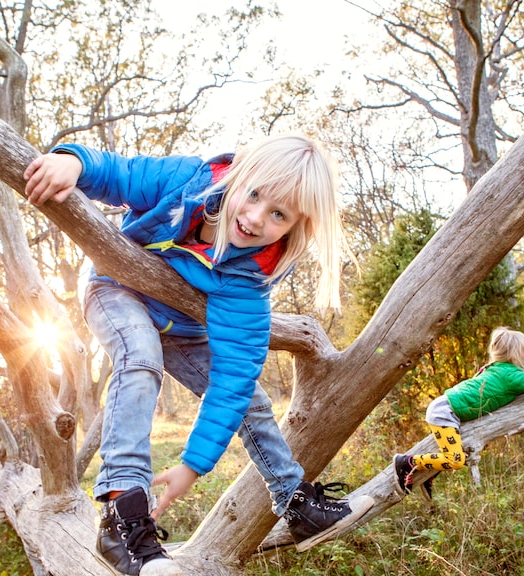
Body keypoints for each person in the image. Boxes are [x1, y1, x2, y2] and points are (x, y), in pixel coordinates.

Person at [24, 134, 373, 576]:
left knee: (252, 402)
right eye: (254, 195)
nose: (253, 217)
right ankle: (121, 511)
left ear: (294, 226)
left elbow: (232, 381)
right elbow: (120, 172)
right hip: (116, 292)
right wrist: (72, 163)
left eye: (278, 214)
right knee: (139, 357)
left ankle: (295, 501)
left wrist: (191, 467)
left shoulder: (250, 281)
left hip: (182, 330)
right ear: (240, 175)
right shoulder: (187, 181)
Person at [393, 327, 524, 501]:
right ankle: (408, 462)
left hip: (447, 408)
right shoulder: (511, 376)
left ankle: (428, 473)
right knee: (456, 460)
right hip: (445, 412)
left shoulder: (499, 369)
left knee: (452, 452)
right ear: (514, 355)